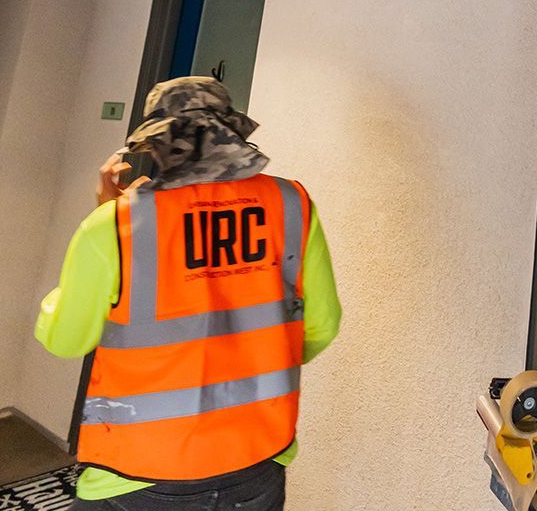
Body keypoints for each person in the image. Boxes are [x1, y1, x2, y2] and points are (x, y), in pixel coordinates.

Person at [36, 77, 341, 511]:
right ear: (230, 132)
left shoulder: (115, 226)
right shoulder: (292, 202)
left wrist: (105, 225)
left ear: (158, 142)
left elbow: (65, 339)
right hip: (257, 462)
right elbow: (322, 327)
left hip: (139, 473)